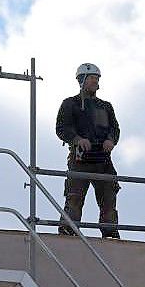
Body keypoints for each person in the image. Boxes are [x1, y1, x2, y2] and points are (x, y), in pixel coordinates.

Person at [55, 63, 121, 238]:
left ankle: (109, 231)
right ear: (82, 80)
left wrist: (111, 140)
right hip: (80, 159)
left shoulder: (105, 106)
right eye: (92, 78)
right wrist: (77, 140)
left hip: (103, 160)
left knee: (108, 196)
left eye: (97, 79)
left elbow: (114, 128)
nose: (95, 82)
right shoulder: (71, 104)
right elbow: (62, 128)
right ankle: (69, 228)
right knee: (75, 197)